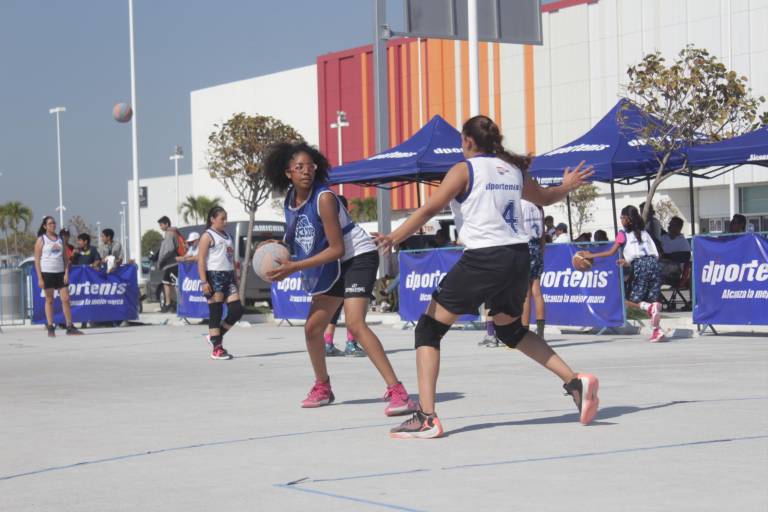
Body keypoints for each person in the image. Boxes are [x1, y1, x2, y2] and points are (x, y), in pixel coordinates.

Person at [375, 115, 599, 439]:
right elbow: (547, 199)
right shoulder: (513, 170)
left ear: (467, 141)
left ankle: (426, 418)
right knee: (510, 331)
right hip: (518, 257)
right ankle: (575, 381)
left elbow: (427, 210)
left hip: (485, 258)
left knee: (428, 329)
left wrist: (395, 237)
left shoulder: (463, 170)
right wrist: (566, 185)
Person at [263, 141, 416, 416]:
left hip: (357, 257)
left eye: (311, 166)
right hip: (331, 264)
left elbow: (338, 248)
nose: (306, 171)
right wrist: (275, 250)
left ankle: (398, 391)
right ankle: (323, 386)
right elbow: (297, 236)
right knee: (312, 329)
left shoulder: (324, 198)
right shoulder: (289, 201)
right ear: (287, 172)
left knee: (355, 324)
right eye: (299, 167)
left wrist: (295, 266)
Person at [582, 205, 665, 343]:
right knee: (653, 299)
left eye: (622, 217)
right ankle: (658, 331)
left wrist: (591, 255)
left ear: (628, 219)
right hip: (654, 265)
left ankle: (649, 308)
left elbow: (610, 252)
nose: (620, 220)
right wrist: (628, 262)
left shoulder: (622, 234)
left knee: (627, 299)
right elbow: (650, 252)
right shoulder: (644, 233)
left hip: (640, 266)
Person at [197, 207, 243, 360]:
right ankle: (217, 349)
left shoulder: (228, 235)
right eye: (222, 218)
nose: (225, 221)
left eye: (226, 218)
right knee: (215, 312)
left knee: (237, 310)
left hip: (228, 276)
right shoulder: (207, 236)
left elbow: (231, 259)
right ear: (212, 219)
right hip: (214, 276)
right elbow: (201, 260)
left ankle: (215, 337)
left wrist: (236, 277)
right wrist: (204, 282)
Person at [322, 195, 366, 357]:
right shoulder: (344, 223)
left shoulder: (327, 222)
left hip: (334, 268)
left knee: (335, 311)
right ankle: (350, 343)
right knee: (352, 309)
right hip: (345, 267)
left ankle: (328, 343)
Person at [34, 216, 83, 337]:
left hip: (60, 273)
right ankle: (51, 326)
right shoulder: (42, 240)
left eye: (54, 223)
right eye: (50, 223)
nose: (53, 225)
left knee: (66, 300)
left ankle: (69, 326)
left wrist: (66, 273)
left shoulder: (60, 240)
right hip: (47, 273)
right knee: (49, 300)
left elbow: (66, 259)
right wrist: (40, 278)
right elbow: (36, 260)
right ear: (45, 226)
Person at [521, 199, 547, 339]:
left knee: (526, 293)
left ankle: (524, 332)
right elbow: (543, 234)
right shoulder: (539, 206)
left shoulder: (521, 204)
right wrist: (541, 251)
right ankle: (540, 332)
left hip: (524, 247)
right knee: (537, 291)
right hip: (537, 247)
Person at [157, 216, 179, 313]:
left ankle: (181, 305)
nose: (160, 227)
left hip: (172, 264)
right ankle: (168, 304)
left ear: (167, 224)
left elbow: (170, 249)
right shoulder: (167, 234)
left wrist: (162, 259)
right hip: (168, 265)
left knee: (176, 284)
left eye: (161, 225)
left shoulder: (170, 234)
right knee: (166, 282)